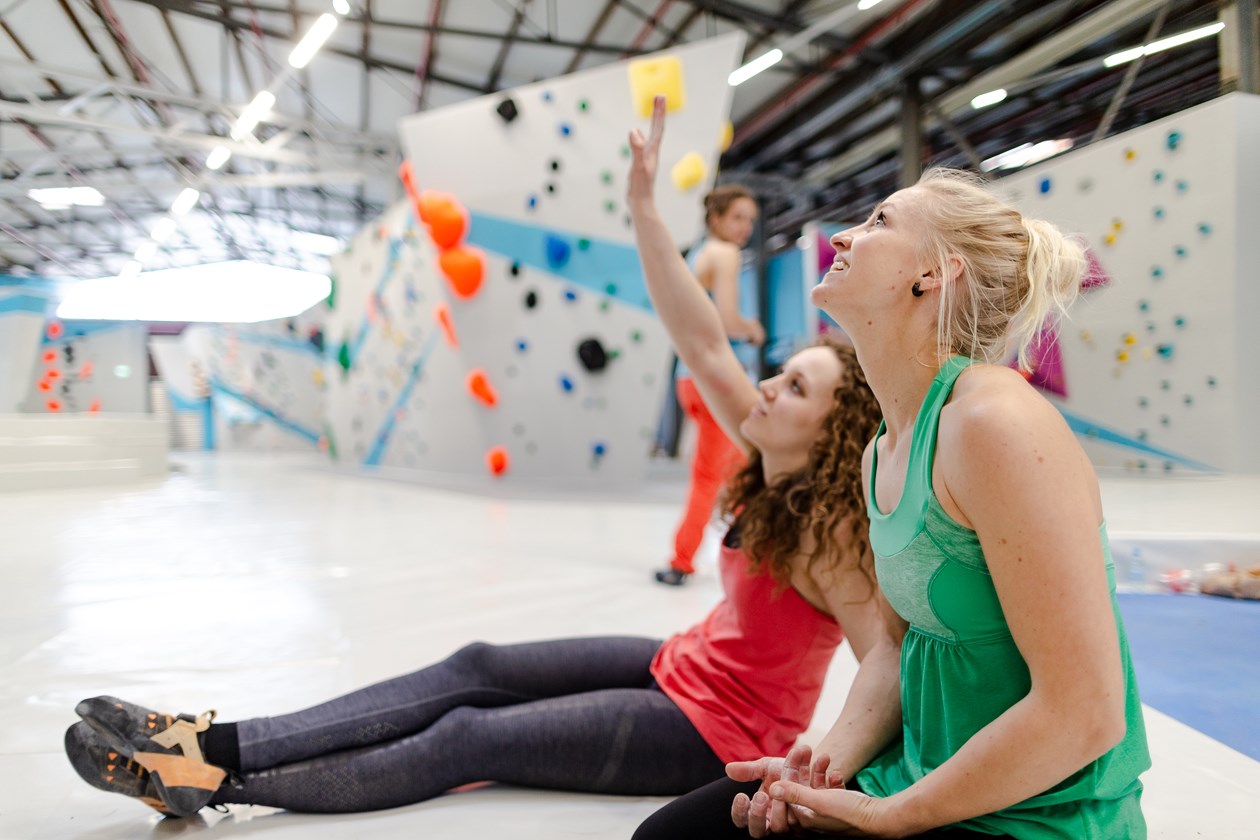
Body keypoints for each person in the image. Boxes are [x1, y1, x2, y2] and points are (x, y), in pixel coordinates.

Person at [61, 106, 884, 822]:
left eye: (797, 386)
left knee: (467, 740)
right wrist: (642, 205)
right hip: (681, 662)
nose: (769, 385)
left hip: (713, 737)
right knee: (476, 667)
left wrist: (841, 780)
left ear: (834, 430)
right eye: (780, 372)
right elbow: (698, 333)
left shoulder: (836, 533)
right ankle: (208, 738)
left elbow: (884, 654)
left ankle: (210, 778)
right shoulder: (764, 446)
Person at [633, 96, 1150, 838]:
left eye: (878, 223)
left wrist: (894, 813)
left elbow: (1087, 712)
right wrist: (823, 767)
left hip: (1032, 816)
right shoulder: (887, 445)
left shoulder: (994, 424)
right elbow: (894, 650)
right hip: (922, 773)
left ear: (934, 274)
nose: (844, 234)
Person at [654, 183, 767, 587]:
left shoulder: (699, 254)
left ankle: (755, 552)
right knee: (715, 474)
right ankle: (681, 560)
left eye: (749, 221)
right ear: (715, 218)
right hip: (715, 381)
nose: (744, 228)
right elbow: (727, 319)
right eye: (737, 217)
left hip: (690, 379)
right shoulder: (725, 254)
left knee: (744, 468)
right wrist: (752, 329)